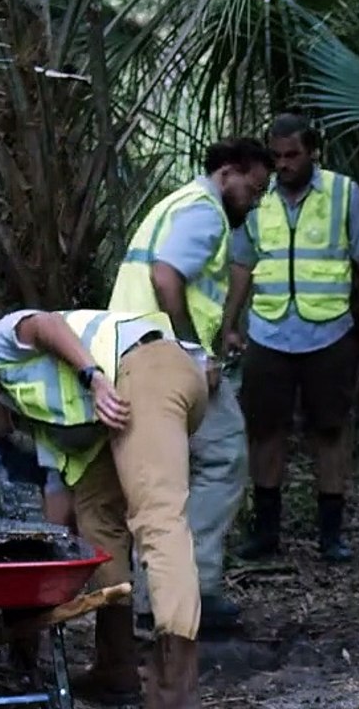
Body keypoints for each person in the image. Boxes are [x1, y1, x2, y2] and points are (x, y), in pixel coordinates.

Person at [0, 308, 213, 708]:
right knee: (95, 516)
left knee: (157, 518)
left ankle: (176, 686)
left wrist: (93, 378)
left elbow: (46, 324)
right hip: (125, 400)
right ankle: (116, 667)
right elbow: (58, 514)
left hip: (148, 369)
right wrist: (29, 595)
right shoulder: (41, 418)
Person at [107, 137, 274, 633]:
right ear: (228, 173)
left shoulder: (177, 203)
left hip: (133, 351)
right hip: (164, 357)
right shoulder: (204, 211)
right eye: (253, 188)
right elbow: (166, 276)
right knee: (223, 454)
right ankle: (191, 588)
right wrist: (193, 350)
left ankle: (158, 599)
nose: (254, 200)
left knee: (163, 480)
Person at [222, 112, 359, 564]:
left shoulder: (343, 193)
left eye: (292, 155)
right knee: (265, 431)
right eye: (276, 156)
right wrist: (230, 325)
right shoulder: (259, 198)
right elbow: (242, 264)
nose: (283, 164)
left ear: (313, 151)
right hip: (268, 333)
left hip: (329, 332)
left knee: (330, 430)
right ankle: (266, 533)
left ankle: (331, 534)